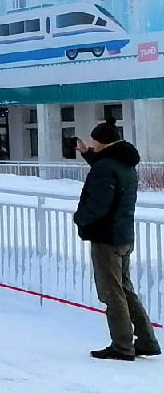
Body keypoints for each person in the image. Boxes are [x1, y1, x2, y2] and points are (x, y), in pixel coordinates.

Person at [73, 118, 160, 361]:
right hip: (123, 235)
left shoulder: (105, 167)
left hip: (106, 237)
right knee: (124, 288)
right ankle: (146, 340)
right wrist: (87, 154)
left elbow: (99, 202)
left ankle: (122, 345)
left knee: (112, 292)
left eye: (94, 142)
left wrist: (80, 218)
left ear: (103, 143)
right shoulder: (124, 162)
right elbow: (106, 169)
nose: (92, 145)